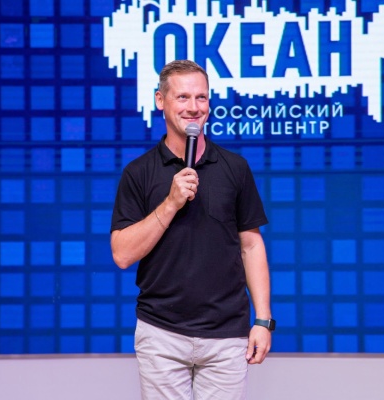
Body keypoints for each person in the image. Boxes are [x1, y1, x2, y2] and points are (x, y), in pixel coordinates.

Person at [110, 59, 274, 399]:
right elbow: (122, 254)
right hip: (162, 333)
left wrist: (263, 320)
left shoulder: (235, 168)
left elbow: (251, 245)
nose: (194, 107)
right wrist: (170, 203)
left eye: (201, 97)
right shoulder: (138, 173)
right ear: (160, 100)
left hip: (226, 334)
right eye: (183, 97)